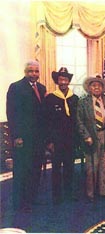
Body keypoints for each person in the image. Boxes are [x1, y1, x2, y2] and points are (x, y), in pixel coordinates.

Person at [6, 60, 47, 212]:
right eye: (30, 71)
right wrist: (17, 136)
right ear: (25, 72)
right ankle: (19, 203)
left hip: (38, 140)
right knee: (22, 171)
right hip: (22, 140)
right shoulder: (16, 87)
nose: (33, 74)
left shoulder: (42, 88)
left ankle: (31, 199)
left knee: (35, 170)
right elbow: (12, 114)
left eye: (36, 71)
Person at [77, 76, 105, 202]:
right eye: (93, 85)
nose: (96, 87)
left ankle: (103, 192)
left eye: (99, 85)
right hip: (91, 137)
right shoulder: (83, 102)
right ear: (89, 88)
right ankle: (90, 194)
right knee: (91, 167)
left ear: (103, 88)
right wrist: (86, 136)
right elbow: (79, 121)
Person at [44, 67, 79, 204]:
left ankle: (69, 194)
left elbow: (77, 121)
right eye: (60, 79)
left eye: (65, 79)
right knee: (56, 168)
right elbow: (46, 122)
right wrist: (49, 141)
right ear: (57, 81)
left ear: (69, 81)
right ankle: (57, 196)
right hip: (56, 140)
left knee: (70, 167)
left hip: (70, 139)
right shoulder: (50, 98)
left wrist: (77, 140)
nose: (63, 82)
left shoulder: (75, 98)